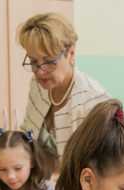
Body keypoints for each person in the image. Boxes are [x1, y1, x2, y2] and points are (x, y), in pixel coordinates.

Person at [18, 12, 110, 173]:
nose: (40, 71)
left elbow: (102, 167)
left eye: (49, 61)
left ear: (71, 54)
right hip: (43, 182)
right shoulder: (38, 87)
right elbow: (28, 135)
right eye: (33, 61)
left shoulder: (94, 100)